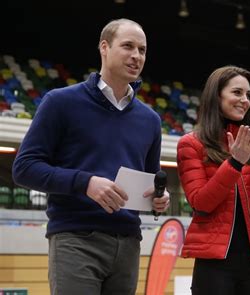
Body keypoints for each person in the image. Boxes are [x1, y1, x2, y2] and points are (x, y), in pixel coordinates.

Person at [12, 18, 170, 295]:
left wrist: (158, 199)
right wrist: (85, 183)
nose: (136, 56)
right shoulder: (60, 102)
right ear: (104, 47)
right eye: (128, 46)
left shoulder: (150, 120)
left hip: (129, 243)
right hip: (75, 239)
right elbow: (24, 168)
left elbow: (150, 181)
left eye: (142, 50)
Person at [176, 65, 250, 295]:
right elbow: (201, 203)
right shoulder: (191, 144)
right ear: (216, 95)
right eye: (237, 92)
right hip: (214, 265)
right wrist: (234, 163)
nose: (245, 100)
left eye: (248, 95)